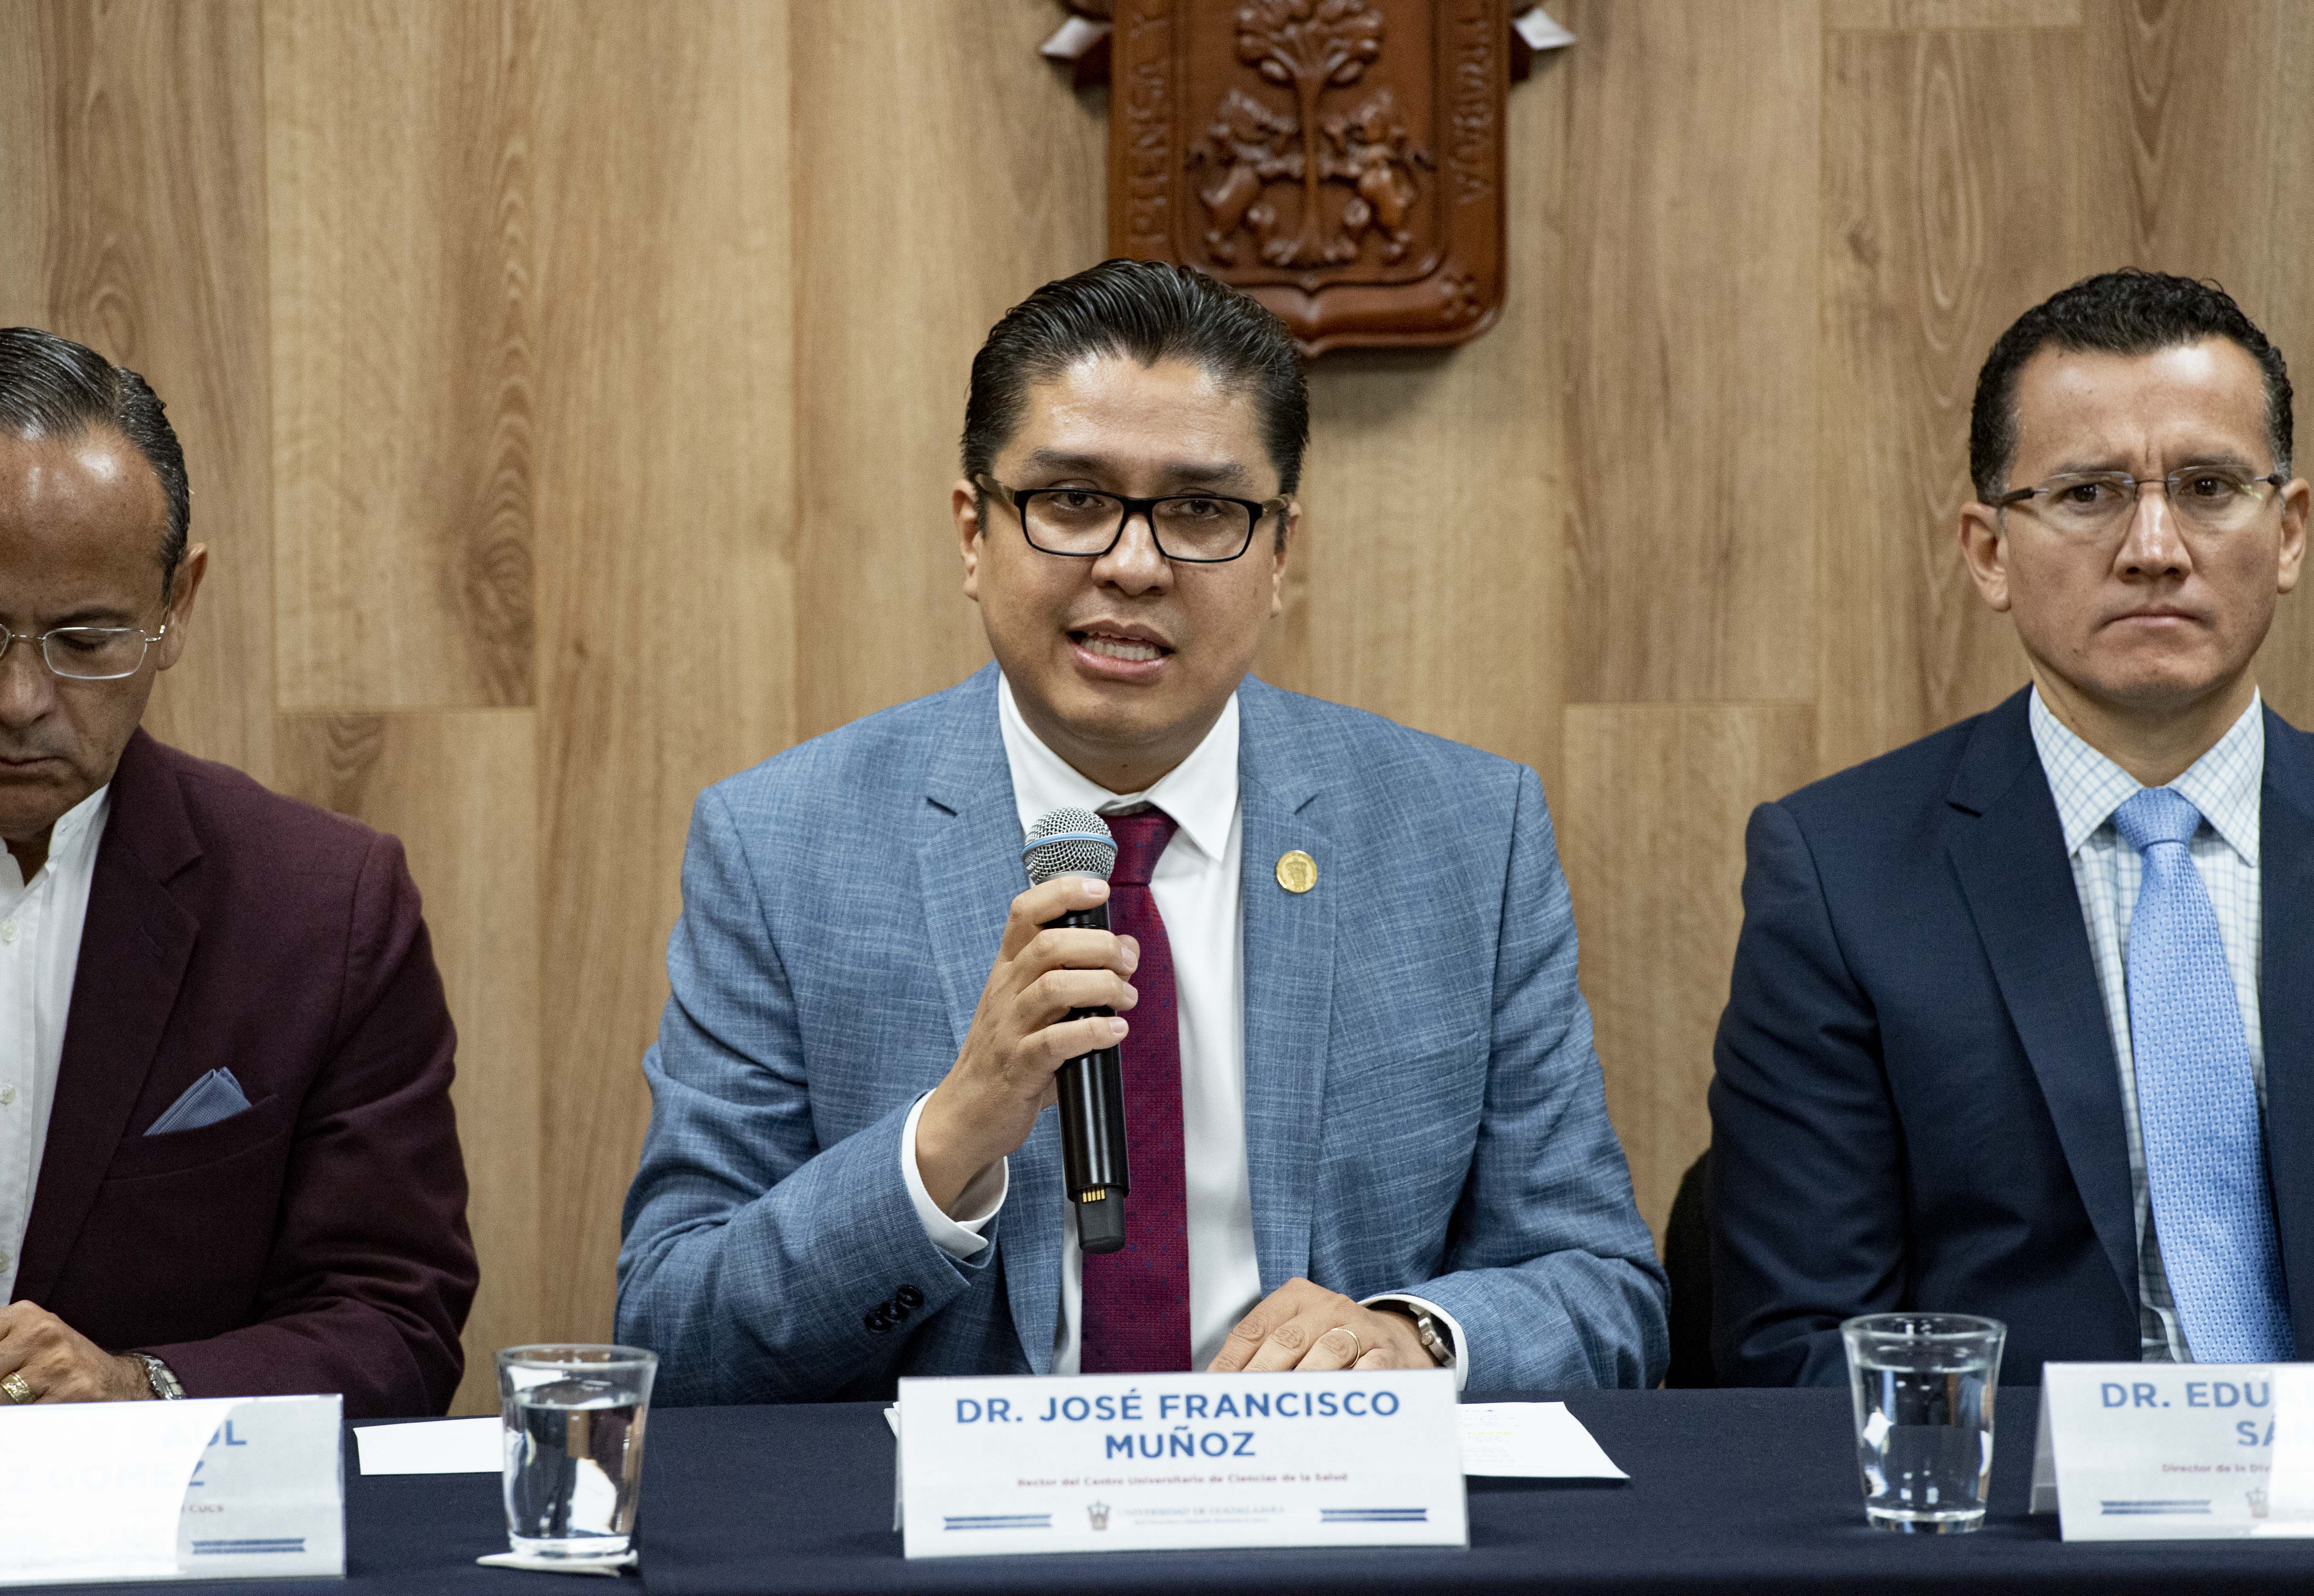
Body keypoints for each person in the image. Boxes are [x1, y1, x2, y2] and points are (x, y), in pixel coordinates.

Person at [618, 260, 1664, 1402]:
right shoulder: (781, 846)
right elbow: (676, 1331)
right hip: (951, 1516)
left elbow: (1603, 1293)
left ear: (1279, 555)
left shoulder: (1465, 834)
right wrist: (947, 1139)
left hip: (1322, 1503)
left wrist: (1414, 1340)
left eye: (1202, 511)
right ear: (973, 534)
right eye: (1072, 501)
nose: (1132, 564)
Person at [1709, 270, 2314, 1386]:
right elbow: (1802, 1347)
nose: (2155, 547)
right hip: (2016, 1493)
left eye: (2208, 487)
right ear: (1989, 551)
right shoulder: (1842, 879)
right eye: (2089, 495)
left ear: (2289, 533)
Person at [0, 328, 475, 1415]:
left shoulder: (323, 909)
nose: (17, 699)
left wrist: (142, 1393)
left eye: (87, 641)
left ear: (176, 609)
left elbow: (395, 1321)